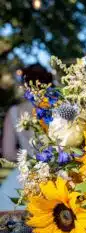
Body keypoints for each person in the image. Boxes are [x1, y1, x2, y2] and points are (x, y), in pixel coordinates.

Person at [0, 64, 53, 211]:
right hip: (57, 173)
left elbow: (8, 153)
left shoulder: (14, 112)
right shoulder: (55, 106)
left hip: (26, 176)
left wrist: (28, 156)